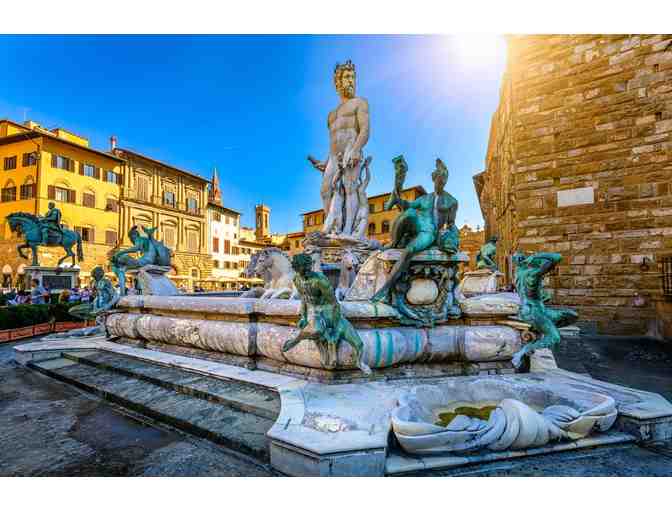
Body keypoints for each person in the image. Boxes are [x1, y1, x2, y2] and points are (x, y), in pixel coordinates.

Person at [308, 60, 370, 237]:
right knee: (325, 191)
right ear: (338, 82)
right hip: (334, 158)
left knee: (350, 188)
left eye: (353, 77)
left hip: (351, 150)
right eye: (347, 77)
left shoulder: (360, 103)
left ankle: (348, 231)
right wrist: (326, 162)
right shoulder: (331, 115)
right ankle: (334, 228)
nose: (351, 81)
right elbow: (333, 142)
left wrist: (356, 149)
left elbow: (365, 130)